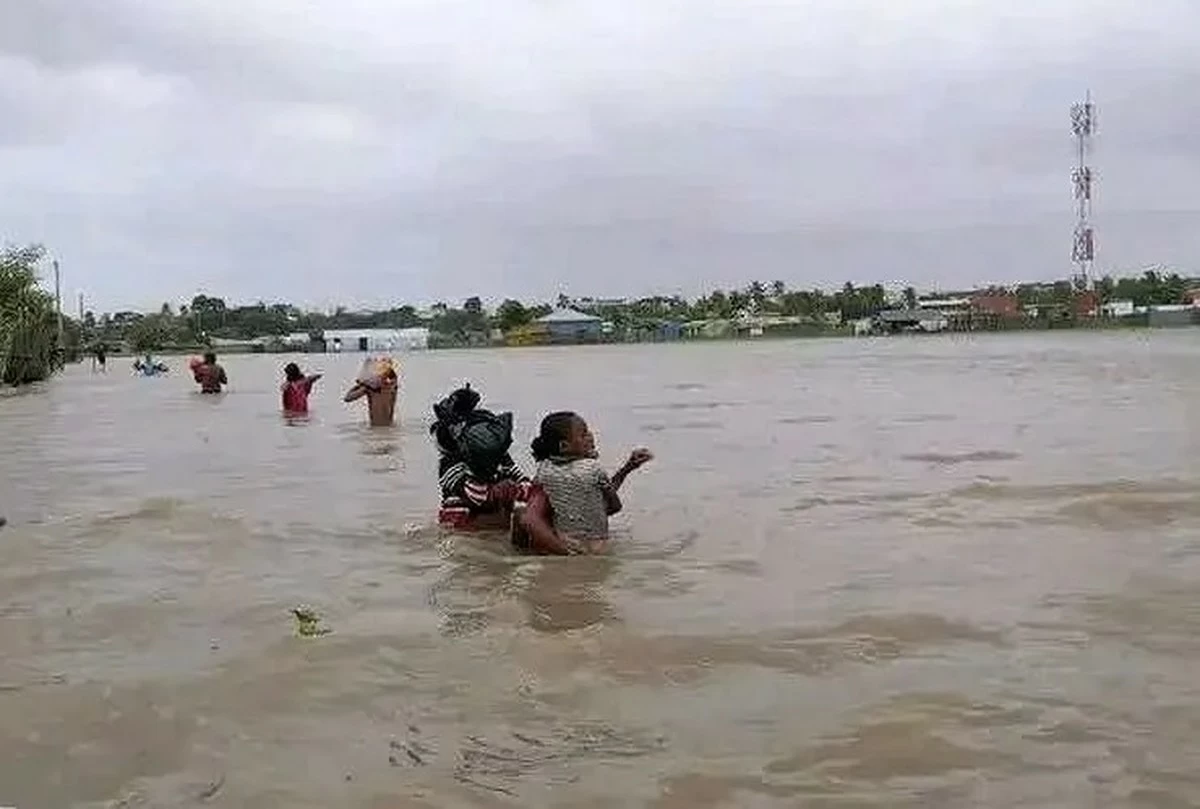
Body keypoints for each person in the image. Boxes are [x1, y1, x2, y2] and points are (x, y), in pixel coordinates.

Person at [518, 411, 653, 555]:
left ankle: (519, 553)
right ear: (565, 446)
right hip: (598, 548)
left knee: (520, 510)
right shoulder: (594, 469)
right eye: (584, 434)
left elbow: (531, 517)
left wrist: (627, 468)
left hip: (565, 544)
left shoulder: (543, 472)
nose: (591, 436)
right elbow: (614, 507)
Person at [431, 384, 529, 526]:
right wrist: (504, 489)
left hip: (489, 517)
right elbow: (476, 495)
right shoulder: (451, 465)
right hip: (463, 523)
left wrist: (525, 489)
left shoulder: (500, 457)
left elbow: (521, 480)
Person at [343, 357, 397, 426]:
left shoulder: (388, 386)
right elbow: (347, 398)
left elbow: (347, 398)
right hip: (387, 427)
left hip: (377, 428)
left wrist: (361, 384)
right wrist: (363, 384)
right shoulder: (391, 386)